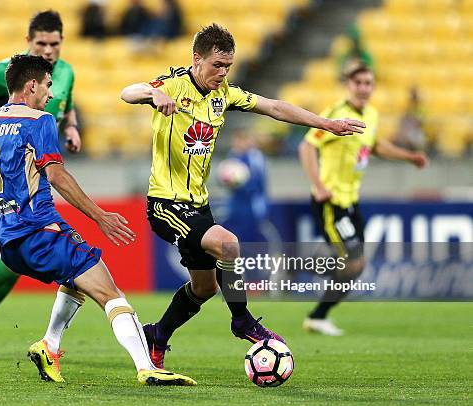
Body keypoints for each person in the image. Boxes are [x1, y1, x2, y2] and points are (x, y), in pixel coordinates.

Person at [0, 54, 196, 386]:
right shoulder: (39, 121)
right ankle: (147, 367)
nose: (51, 95)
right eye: (48, 85)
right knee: (110, 293)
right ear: (32, 85)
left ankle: (49, 346)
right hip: (41, 232)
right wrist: (99, 216)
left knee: (75, 282)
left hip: (11, 246)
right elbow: (55, 175)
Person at [120, 23, 365, 369]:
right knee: (229, 244)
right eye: (217, 65)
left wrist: (326, 124)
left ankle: (157, 334)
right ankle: (242, 321)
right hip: (165, 203)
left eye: (228, 67)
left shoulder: (225, 95)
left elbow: (275, 107)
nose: (222, 73)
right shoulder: (171, 85)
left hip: (198, 206)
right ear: (197, 59)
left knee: (203, 288)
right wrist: (153, 95)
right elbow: (127, 92)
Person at [0, 10, 83, 358]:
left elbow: (64, 108)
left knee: (15, 257)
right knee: (13, 250)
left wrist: (71, 127)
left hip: (34, 173)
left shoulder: (64, 72)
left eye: (54, 43)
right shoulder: (3, 72)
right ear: (28, 42)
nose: (48, 49)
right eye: (41, 43)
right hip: (5, 172)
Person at [298, 61, 428, 336]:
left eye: (368, 83)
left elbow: (375, 145)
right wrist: (319, 185)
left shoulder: (371, 114)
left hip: (351, 201)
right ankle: (308, 283)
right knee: (355, 262)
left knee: (355, 265)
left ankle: (318, 311)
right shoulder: (336, 114)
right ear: (348, 85)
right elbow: (307, 146)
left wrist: (409, 157)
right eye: (358, 83)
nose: (364, 88)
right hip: (331, 202)